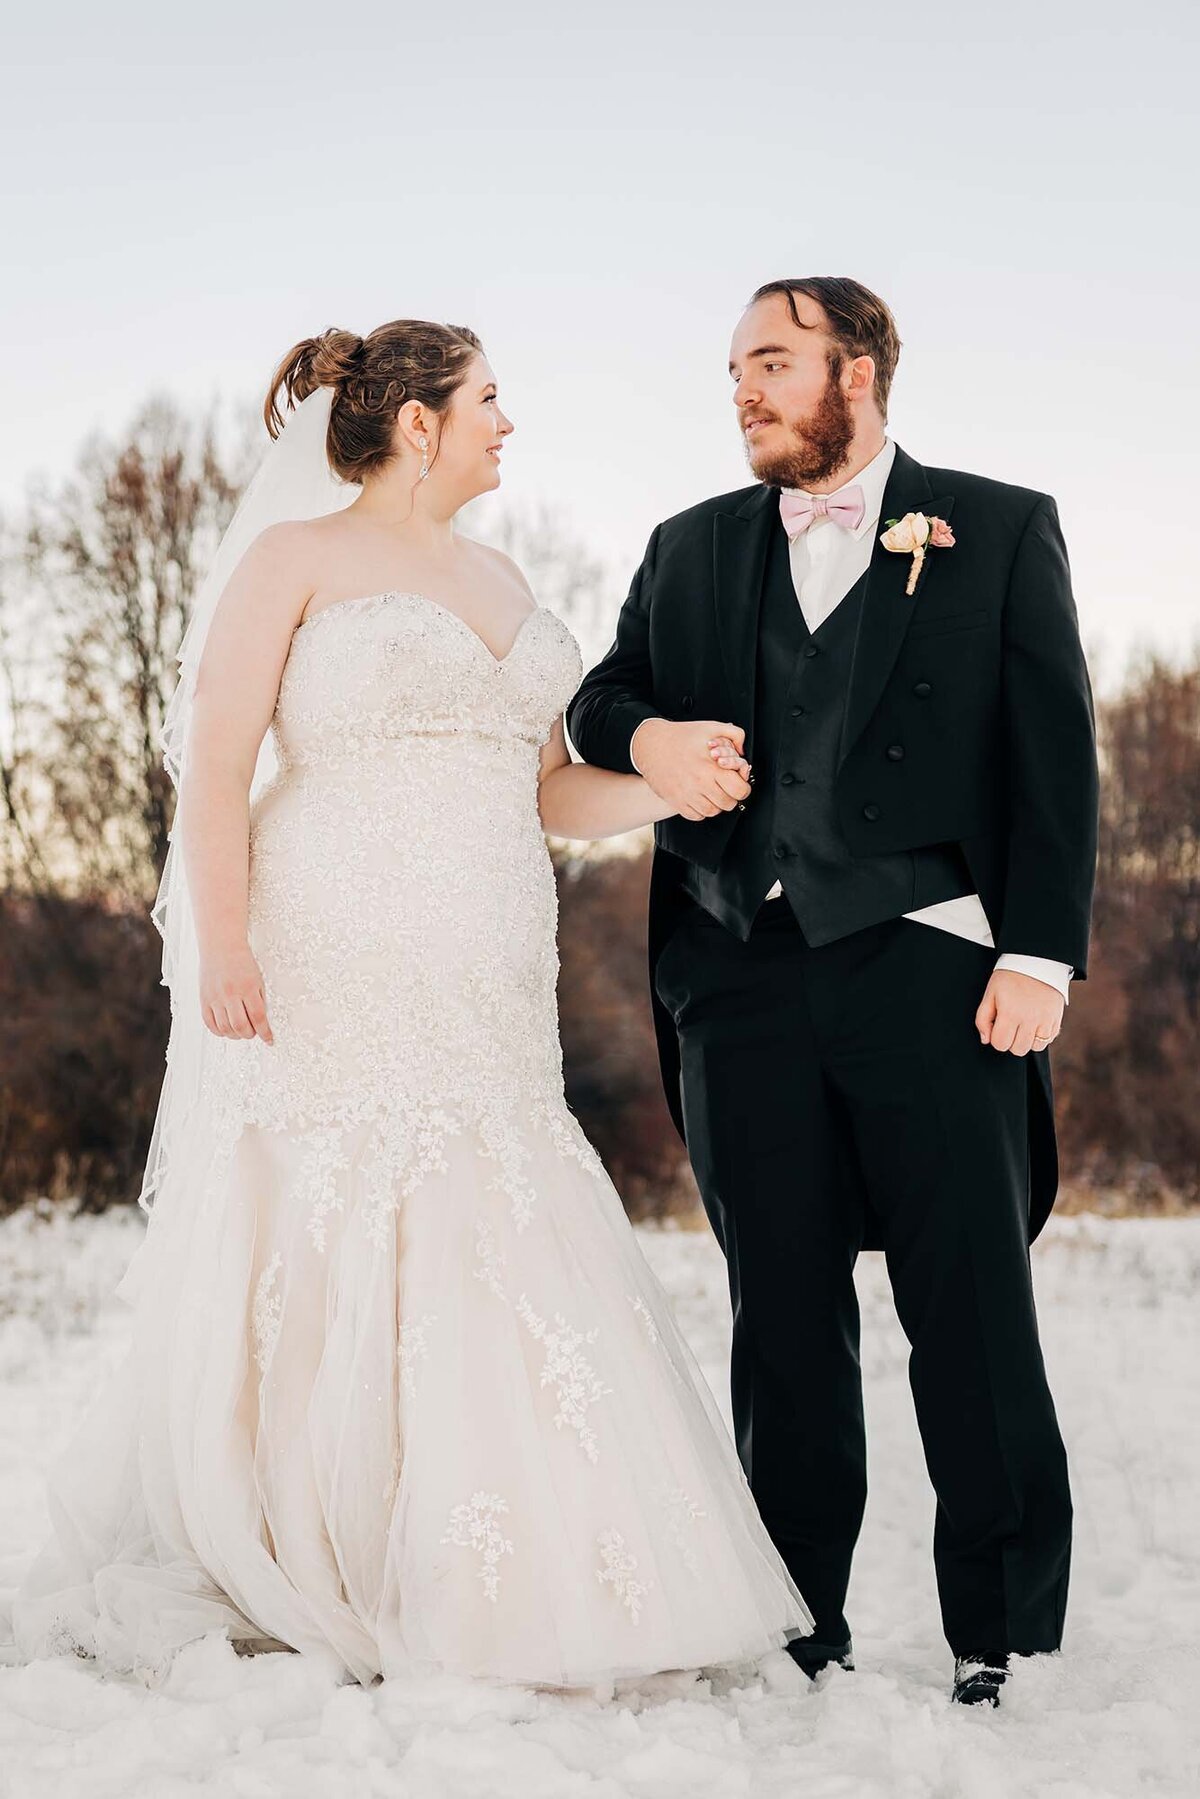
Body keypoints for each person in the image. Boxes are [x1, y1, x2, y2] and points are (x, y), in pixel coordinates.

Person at [6, 320, 814, 1691]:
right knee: (342, 1203)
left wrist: (662, 786)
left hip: (489, 960)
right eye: (492, 400)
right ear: (420, 423)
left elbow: (548, 789)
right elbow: (213, 767)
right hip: (332, 940)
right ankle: (312, 1543)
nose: (511, 423)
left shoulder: (504, 577)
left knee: (491, 1202)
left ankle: (497, 1571)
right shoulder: (296, 559)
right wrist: (221, 946)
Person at [566, 277, 1100, 1707]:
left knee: (971, 1308)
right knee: (780, 1314)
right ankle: (798, 1616)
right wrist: (656, 736)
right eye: (733, 366)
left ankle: (1003, 1630)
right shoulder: (688, 548)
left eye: (773, 361)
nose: (741, 388)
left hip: (936, 967)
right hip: (740, 978)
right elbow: (595, 701)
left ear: (858, 372)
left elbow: (1056, 754)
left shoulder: (994, 525)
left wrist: (1042, 954)